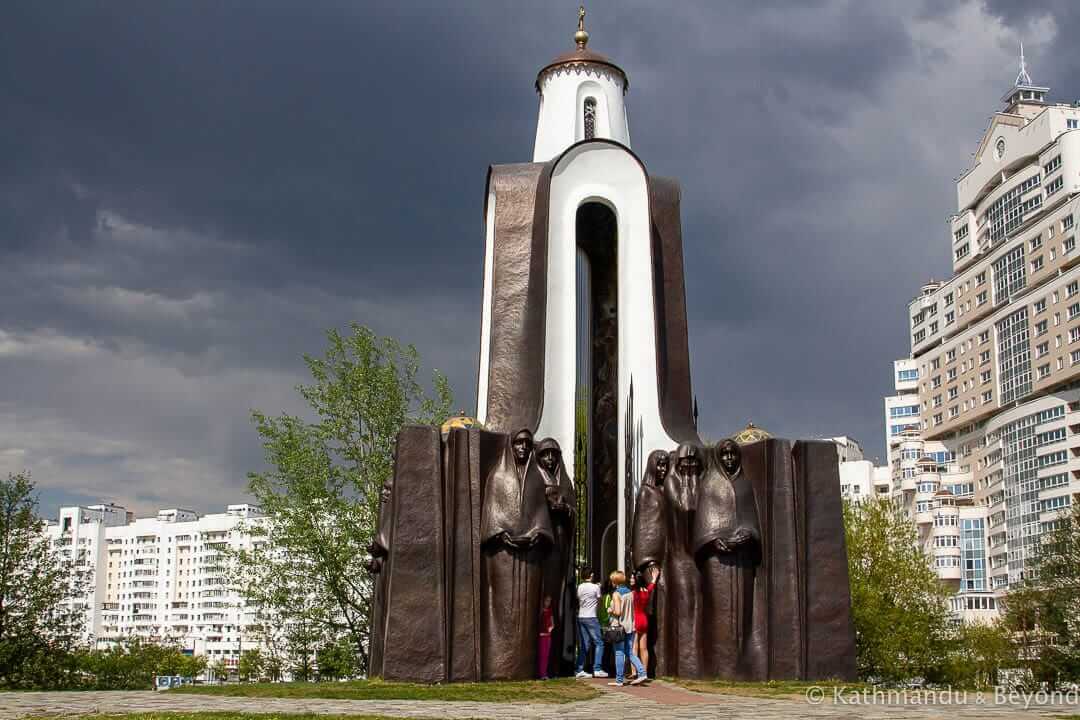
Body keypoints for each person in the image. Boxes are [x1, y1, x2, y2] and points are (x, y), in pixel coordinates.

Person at [608, 570, 647, 687]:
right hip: (630, 625)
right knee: (629, 652)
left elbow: (618, 611)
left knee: (619, 653)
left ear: (614, 581)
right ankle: (642, 672)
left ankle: (619, 680)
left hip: (619, 627)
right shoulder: (630, 592)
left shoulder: (616, 594)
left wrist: (610, 610)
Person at [574, 567, 608, 678]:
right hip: (591, 617)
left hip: (581, 617)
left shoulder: (579, 587)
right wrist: (599, 587)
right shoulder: (595, 587)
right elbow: (600, 601)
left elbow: (580, 600)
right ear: (591, 575)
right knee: (599, 642)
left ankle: (579, 669)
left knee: (584, 644)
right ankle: (597, 669)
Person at [632, 567, 659, 678]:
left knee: (634, 648)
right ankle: (645, 673)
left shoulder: (634, 593)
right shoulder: (646, 591)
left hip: (635, 619)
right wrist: (654, 578)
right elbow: (651, 586)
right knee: (644, 648)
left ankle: (634, 672)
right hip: (644, 619)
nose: (631, 579)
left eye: (632, 578)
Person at [538, 595, 555, 679]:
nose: (547, 603)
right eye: (546, 601)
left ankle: (544, 674)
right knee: (541, 655)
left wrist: (550, 628)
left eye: (549, 601)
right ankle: (541, 674)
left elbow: (552, 624)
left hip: (548, 636)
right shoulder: (540, 611)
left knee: (546, 655)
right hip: (541, 635)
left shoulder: (550, 611)